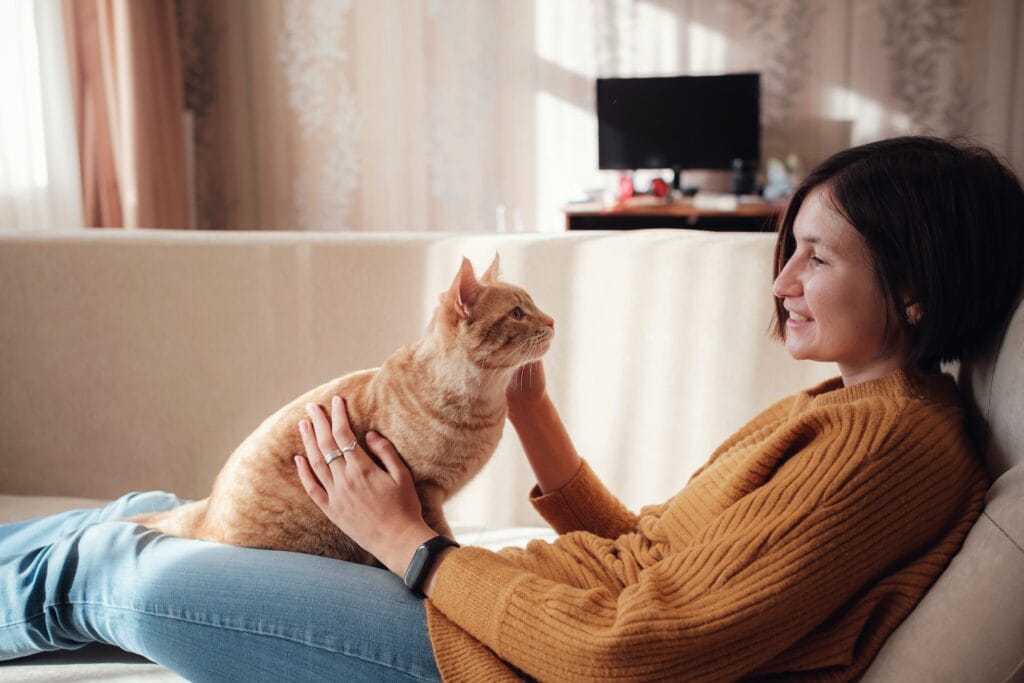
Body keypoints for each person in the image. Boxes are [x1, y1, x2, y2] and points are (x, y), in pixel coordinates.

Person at [1, 136, 1022, 682]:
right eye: (786, 245)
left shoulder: (894, 442)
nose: (782, 276)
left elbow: (638, 648)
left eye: (817, 254)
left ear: (917, 287)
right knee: (148, 509)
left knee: (118, 572)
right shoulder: (856, 407)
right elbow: (652, 554)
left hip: (490, 653)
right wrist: (531, 413)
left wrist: (412, 545)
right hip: (509, 613)